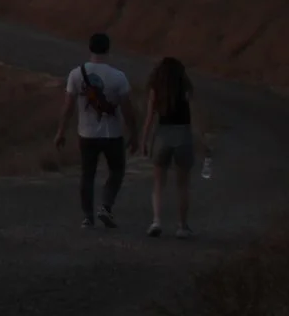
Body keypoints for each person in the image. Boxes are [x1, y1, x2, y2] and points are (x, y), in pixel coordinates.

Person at [53, 32, 137, 229]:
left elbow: (68, 107)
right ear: (108, 49)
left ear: (90, 48)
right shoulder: (118, 76)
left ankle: (87, 217)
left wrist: (61, 131)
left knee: (87, 174)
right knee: (117, 170)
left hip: (87, 133)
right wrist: (134, 133)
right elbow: (127, 109)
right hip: (112, 134)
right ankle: (105, 206)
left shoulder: (76, 74)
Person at [142, 57, 196, 237]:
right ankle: (182, 226)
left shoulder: (156, 89)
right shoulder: (186, 88)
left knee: (158, 184)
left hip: (162, 136)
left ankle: (156, 221)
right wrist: (202, 141)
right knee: (183, 185)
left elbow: (150, 118)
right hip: (183, 135)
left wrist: (145, 140)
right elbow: (195, 116)